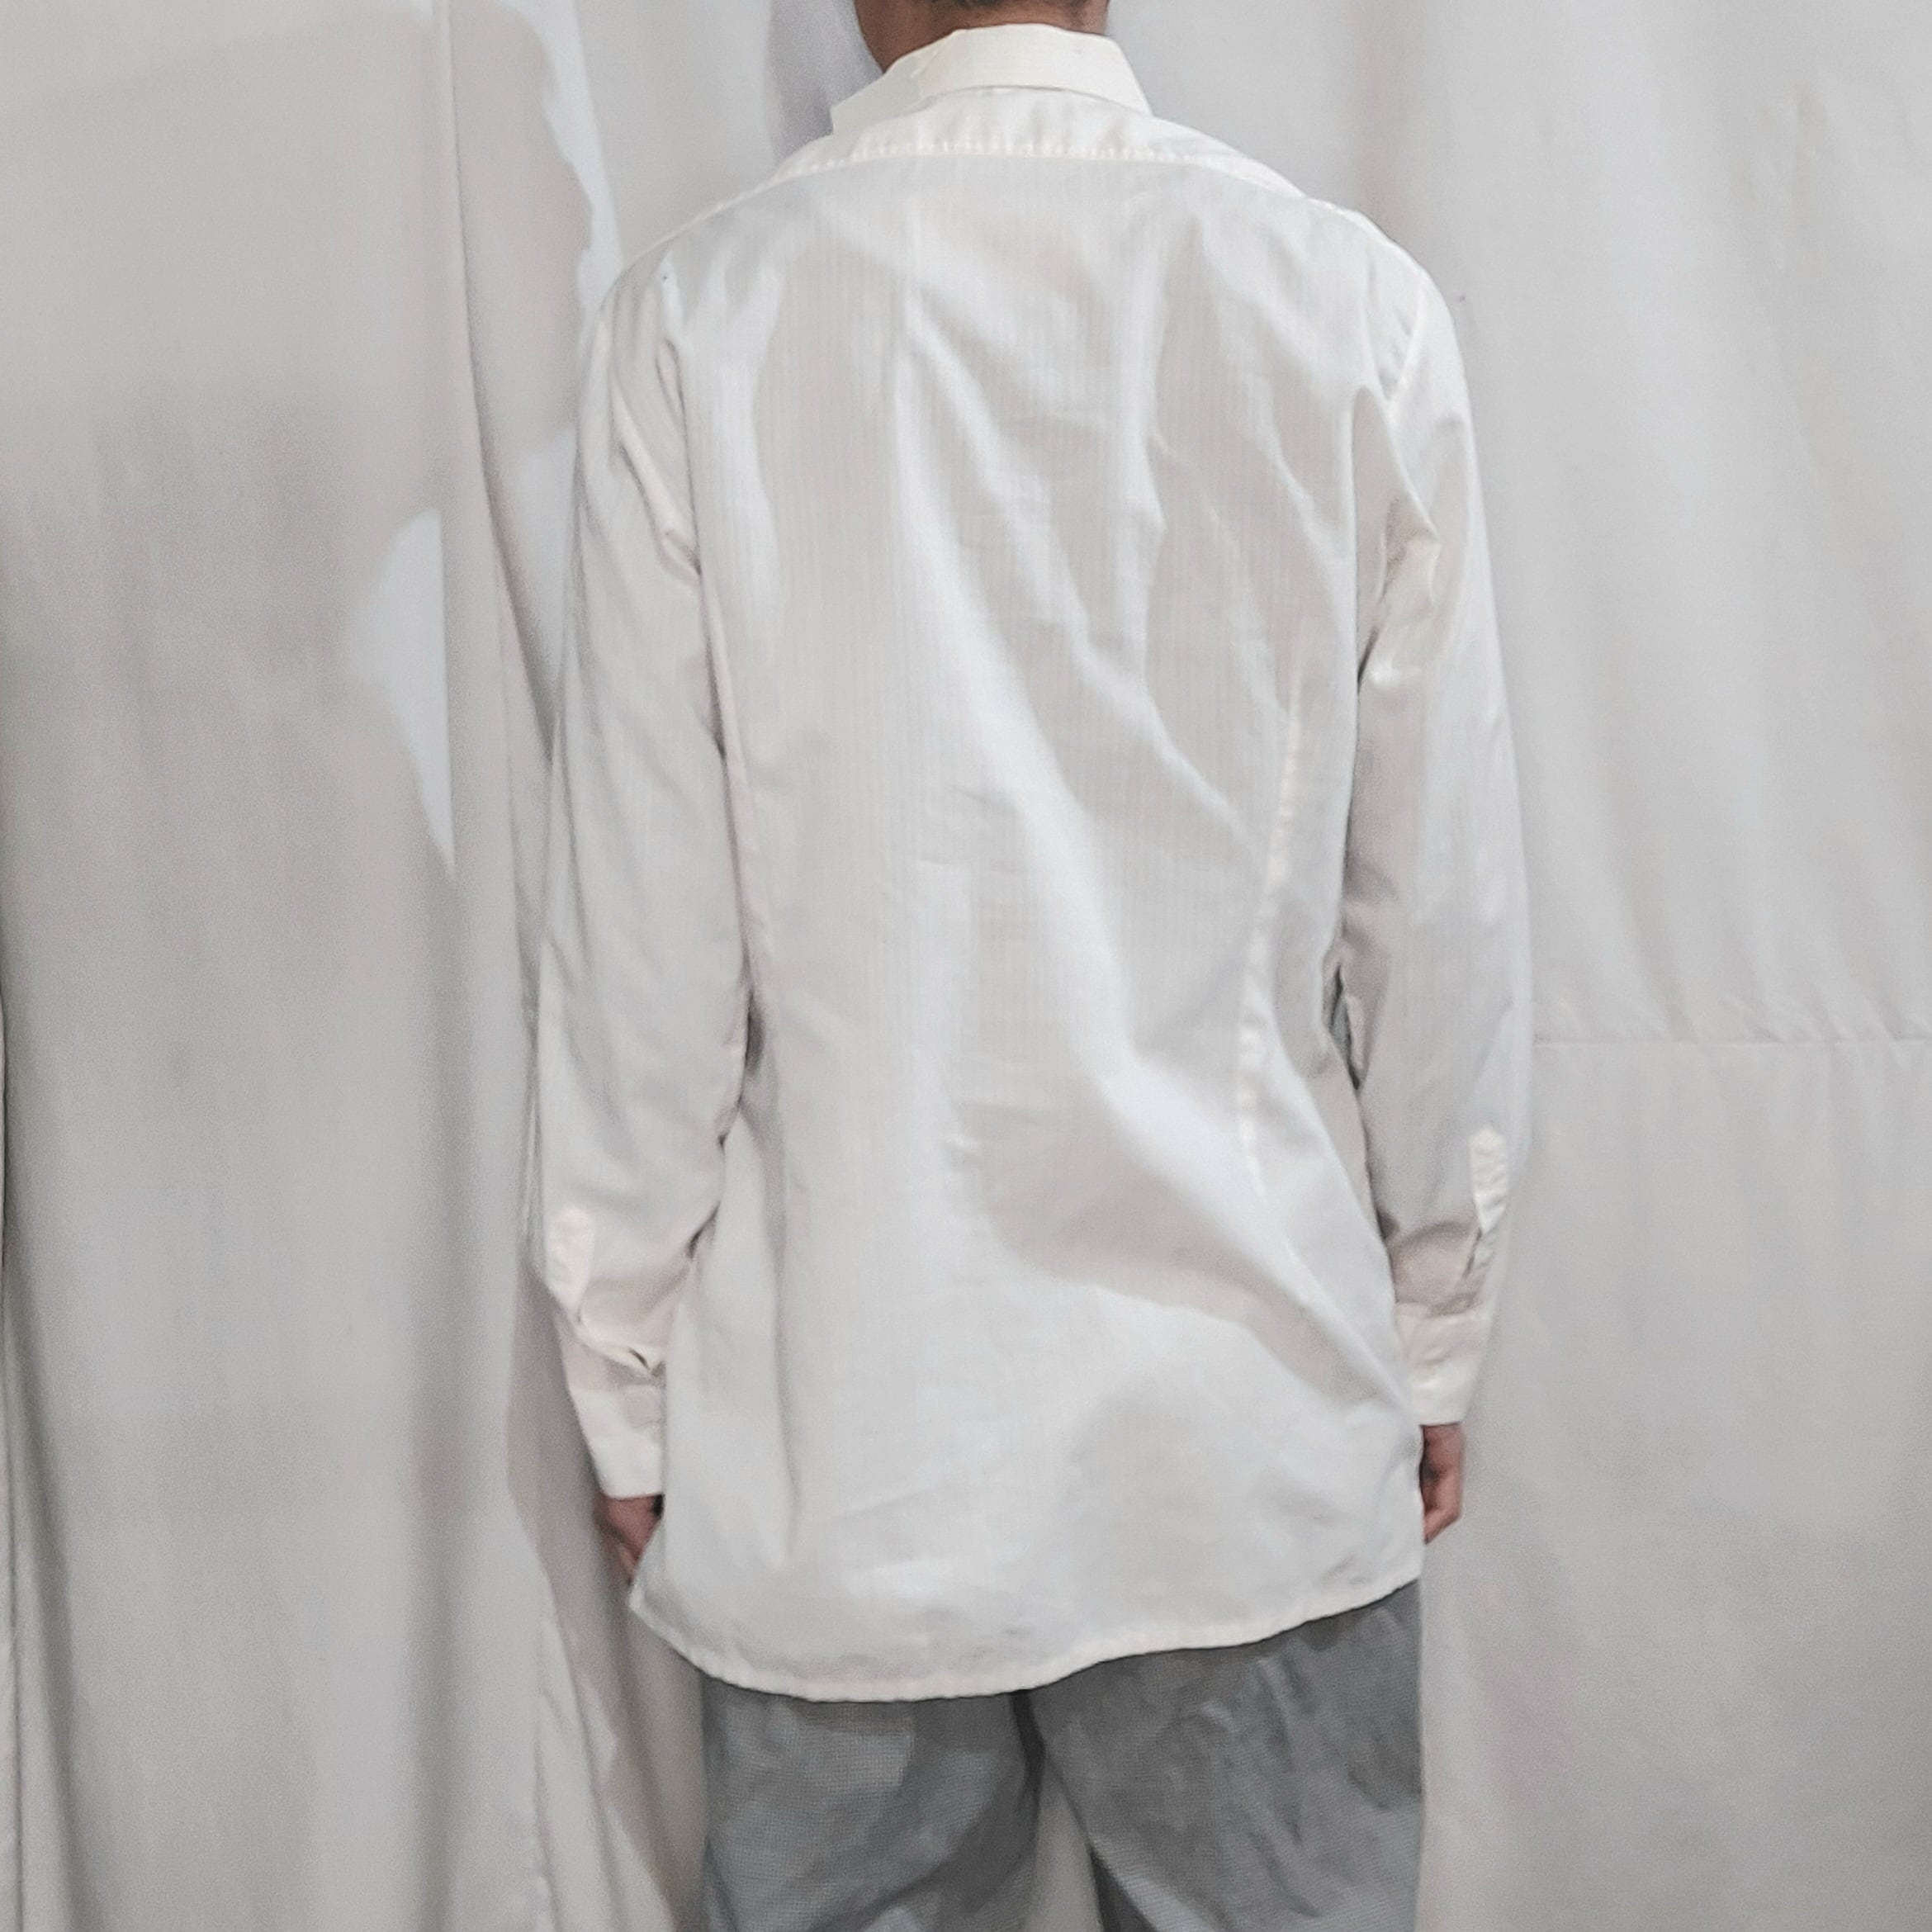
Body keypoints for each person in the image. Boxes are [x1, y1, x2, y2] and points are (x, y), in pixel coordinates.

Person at [526, 1, 1532, 1925]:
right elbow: (1443, 910)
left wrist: (624, 1370)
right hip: (1245, 1439)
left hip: (846, 1453)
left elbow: (642, 942)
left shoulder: (699, 326)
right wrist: (1433, 1323)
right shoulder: (1349, 311)